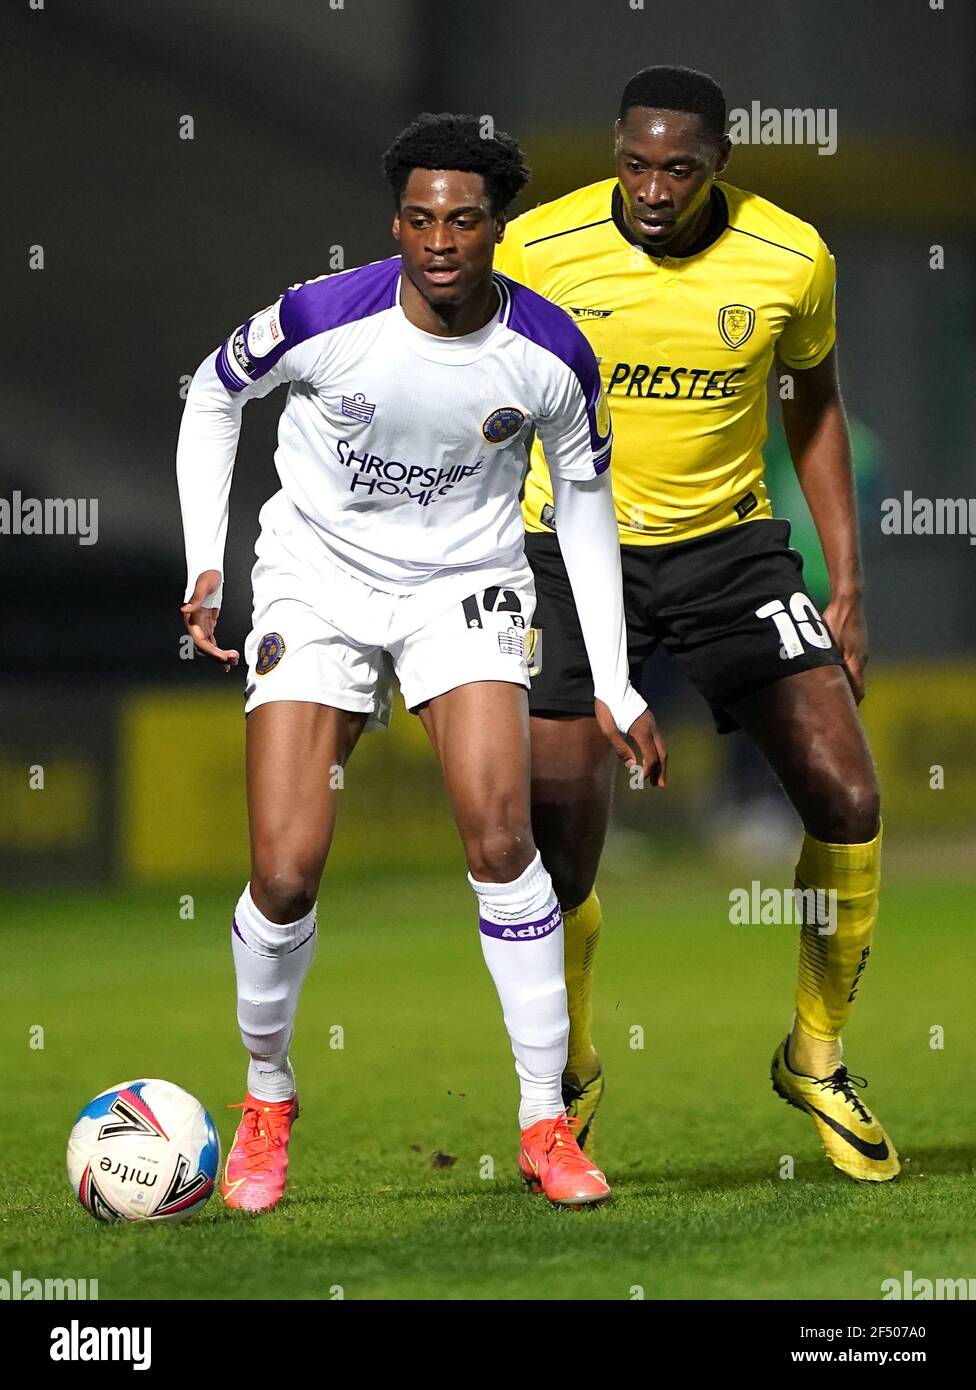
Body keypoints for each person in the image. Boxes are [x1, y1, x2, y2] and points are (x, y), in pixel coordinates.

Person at [176, 113, 665, 1213]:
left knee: (502, 836)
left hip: (464, 587)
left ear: (496, 228)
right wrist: (209, 562)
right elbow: (213, 392)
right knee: (287, 867)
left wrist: (615, 678)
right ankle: (266, 1099)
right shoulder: (323, 315)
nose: (438, 239)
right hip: (316, 576)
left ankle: (546, 1121)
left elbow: (585, 501)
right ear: (395, 222)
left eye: (462, 218)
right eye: (418, 217)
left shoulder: (548, 353)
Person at [494, 67, 897, 1180]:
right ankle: (567, 1065)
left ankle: (814, 1054)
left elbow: (809, 402)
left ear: (718, 161)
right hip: (568, 552)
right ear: (614, 152)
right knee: (561, 834)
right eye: (634, 163)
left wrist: (846, 586)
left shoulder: (789, 257)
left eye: (677, 167)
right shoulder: (540, 246)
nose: (652, 187)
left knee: (847, 794)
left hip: (728, 549)